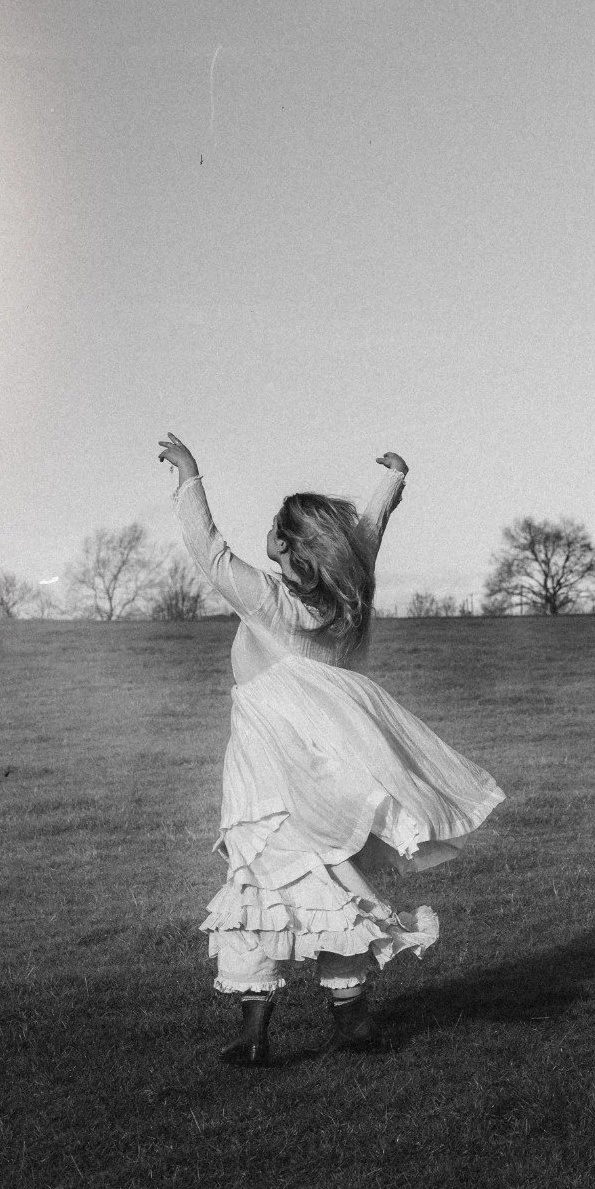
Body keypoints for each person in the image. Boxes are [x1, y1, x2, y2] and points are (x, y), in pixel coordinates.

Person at [157, 432, 504, 1066]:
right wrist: (390, 483)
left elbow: (209, 551)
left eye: (275, 531)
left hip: (267, 770)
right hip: (328, 770)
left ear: (285, 547)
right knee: (331, 882)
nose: (268, 535)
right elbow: (364, 541)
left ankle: (255, 1034)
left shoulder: (268, 600)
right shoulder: (346, 600)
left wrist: (189, 475)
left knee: (257, 883)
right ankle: (352, 1022)